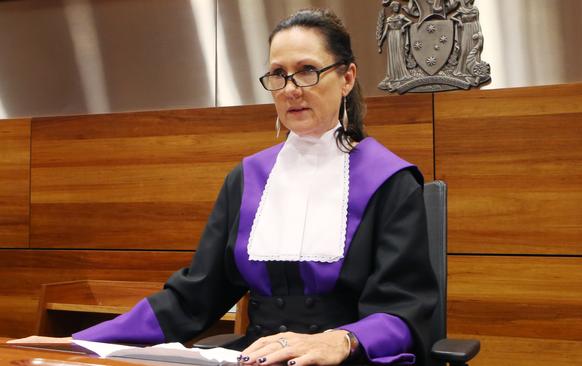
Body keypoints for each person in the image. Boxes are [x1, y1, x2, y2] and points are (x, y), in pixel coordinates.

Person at [9, 9, 436, 366]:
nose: (290, 89)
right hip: (256, 356)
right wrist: (87, 340)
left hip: (346, 357)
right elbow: (194, 296)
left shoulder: (391, 181)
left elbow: (403, 309)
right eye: (277, 74)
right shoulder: (247, 179)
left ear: (346, 78)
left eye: (307, 71)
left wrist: (339, 341)